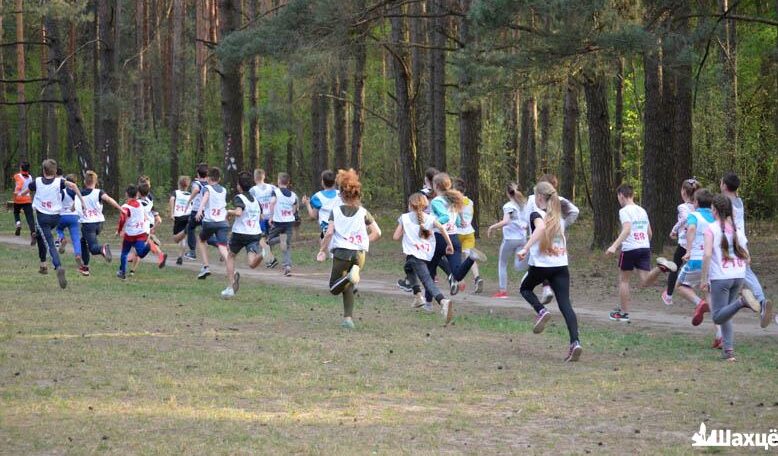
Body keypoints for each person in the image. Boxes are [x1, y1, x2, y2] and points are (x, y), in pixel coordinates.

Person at [517, 182, 581, 362]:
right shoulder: (559, 217)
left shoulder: (536, 214)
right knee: (565, 304)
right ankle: (575, 342)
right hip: (561, 265)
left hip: (541, 265)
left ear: (538, 197)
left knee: (525, 288)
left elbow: (540, 228)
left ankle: (541, 310)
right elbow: (575, 211)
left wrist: (525, 248)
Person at [698, 195, 765, 361]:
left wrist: (703, 278)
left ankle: (742, 302)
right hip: (739, 276)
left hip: (721, 277)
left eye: (712, 209)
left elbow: (706, 255)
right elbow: (748, 258)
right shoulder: (737, 230)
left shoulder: (710, 229)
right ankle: (728, 351)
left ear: (714, 210)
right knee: (726, 314)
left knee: (717, 316)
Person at [317, 169, 382, 329]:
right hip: (359, 254)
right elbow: (378, 232)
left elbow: (330, 232)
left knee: (334, 287)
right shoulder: (363, 212)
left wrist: (322, 250)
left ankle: (349, 278)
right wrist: (363, 242)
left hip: (342, 253)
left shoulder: (336, 211)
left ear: (341, 194)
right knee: (349, 287)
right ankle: (348, 319)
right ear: (357, 194)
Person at [606, 184, 677, 322]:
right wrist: (644, 244)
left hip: (630, 248)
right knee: (645, 280)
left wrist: (614, 246)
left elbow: (626, 229)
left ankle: (624, 314)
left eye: (618, 197)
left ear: (621, 195)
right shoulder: (642, 210)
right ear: (632, 195)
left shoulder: (624, 211)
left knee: (624, 281)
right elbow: (649, 232)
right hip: (644, 246)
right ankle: (661, 268)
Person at [719, 172, 773, 328]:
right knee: (746, 273)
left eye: (721, 182)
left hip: (732, 240)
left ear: (724, 185)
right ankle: (760, 302)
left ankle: (732, 305)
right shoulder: (739, 201)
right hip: (742, 241)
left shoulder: (725, 202)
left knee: (722, 272)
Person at [673, 189, 724, 348]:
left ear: (695, 202)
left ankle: (698, 303)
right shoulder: (716, 218)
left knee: (680, 286)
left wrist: (688, 250)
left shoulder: (693, 216)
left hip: (696, 259)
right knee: (710, 295)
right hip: (713, 263)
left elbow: (692, 229)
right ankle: (720, 335)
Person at [393, 193, 454, 323]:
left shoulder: (404, 218)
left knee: (427, 280)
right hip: (425, 255)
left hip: (414, 255)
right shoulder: (430, 218)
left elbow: (395, 237)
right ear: (425, 205)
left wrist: (405, 229)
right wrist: (449, 244)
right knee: (408, 268)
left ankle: (442, 301)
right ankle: (418, 297)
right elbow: (442, 228)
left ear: (410, 205)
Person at [427, 173, 487, 294]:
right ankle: (471, 258)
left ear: (436, 186)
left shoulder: (436, 201)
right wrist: (460, 223)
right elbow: (458, 221)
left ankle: (428, 302)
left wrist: (432, 223)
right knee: (457, 274)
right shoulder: (452, 200)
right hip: (454, 238)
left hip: (439, 239)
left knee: (430, 271)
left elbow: (445, 217)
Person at [524, 174, 579, 304]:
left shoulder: (533, 198)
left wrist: (530, 230)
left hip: (538, 234)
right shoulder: (560, 200)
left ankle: (546, 288)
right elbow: (575, 211)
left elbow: (527, 217)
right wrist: (564, 224)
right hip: (555, 235)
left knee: (539, 263)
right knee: (550, 260)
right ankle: (547, 287)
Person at [397, 167, 452, 292]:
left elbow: (415, 208)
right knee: (431, 253)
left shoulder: (423, 193)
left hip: (422, 225)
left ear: (427, 180)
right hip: (436, 226)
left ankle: (411, 282)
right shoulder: (441, 195)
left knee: (416, 252)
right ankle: (448, 275)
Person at [29, 159, 81, 288]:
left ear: (43, 171)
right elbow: (73, 186)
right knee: (41, 236)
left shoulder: (37, 181)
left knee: (49, 243)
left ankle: (58, 266)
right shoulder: (60, 182)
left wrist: (23, 194)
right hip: (56, 217)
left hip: (42, 217)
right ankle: (43, 265)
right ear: (56, 171)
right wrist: (82, 202)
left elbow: (28, 188)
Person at [221, 172, 264, 298]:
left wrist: (229, 211)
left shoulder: (239, 197)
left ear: (239, 186)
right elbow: (261, 217)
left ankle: (230, 287)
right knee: (251, 263)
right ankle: (264, 254)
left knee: (230, 256)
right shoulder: (256, 201)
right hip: (255, 233)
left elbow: (239, 212)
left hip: (240, 233)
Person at [487, 182, 529, 299]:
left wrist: (492, 227)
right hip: (522, 238)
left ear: (507, 193)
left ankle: (503, 291)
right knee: (519, 265)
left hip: (510, 239)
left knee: (502, 263)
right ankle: (531, 273)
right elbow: (527, 221)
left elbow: (506, 221)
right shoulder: (524, 205)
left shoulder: (508, 206)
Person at [663, 178, 701, 306]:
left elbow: (685, 218)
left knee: (674, 267)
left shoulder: (682, 207)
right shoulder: (698, 207)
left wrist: (674, 229)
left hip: (685, 243)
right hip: (696, 243)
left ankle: (668, 296)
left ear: (683, 192)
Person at [79, 170, 122, 276]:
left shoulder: (80, 193)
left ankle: (102, 249)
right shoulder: (99, 192)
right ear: (96, 182)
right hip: (99, 224)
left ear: (85, 182)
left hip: (88, 224)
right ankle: (85, 268)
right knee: (83, 241)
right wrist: (119, 208)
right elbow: (108, 199)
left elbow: (74, 206)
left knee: (93, 248)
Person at [117, 184, 164, 279]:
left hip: (130, 234)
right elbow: (146, 217)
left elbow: (122, 220)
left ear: (126, 194)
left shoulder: (126, 206)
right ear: (136, 194)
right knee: (141, 252)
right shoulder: (142, 205)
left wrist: (120, 230)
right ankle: (150, 246)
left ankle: (123, 272)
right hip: (141, 233)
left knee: (124, 252)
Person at [195, 167, 230, 280]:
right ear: (219, 179)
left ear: (208, 178)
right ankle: (231, 268)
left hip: (210, 222)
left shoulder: (207, 188)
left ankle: (206, 267)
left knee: (201, 239)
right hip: (223, 222)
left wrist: (200, 210)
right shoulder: (224, 190)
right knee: (222, 246)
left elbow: (205, 198)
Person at [453, 178, 483, 293]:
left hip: (458, 232)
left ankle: (458, 281)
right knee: (470, 257)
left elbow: (459, 209)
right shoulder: (470, 202)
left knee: (455, 258)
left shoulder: (456, 200)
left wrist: (460, 218)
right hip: (469, 233)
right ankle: (477, 278)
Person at [266, 172, 299, 276]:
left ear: (278, 181)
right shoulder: (293, 195)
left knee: (267, 242)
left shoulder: (275, 192)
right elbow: (294, 209)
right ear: (288, 182)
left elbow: (271, 203)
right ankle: (287, 266)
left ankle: (270, 261)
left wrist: (271, 216)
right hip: (289, 222)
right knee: (286, 245)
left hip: (278, 222)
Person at [55, 174, 87, 275]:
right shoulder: (76, 192)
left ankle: (62, 239)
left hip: (62, 216)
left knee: (59, 230)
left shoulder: (62, 191)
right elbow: (78, 205)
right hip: (74, 217)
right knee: (76, 238)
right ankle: (78, 254)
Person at [302, 169, 341, 239]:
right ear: (335, 181)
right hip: (341, 230)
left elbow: (313, 216)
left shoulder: (318, 197)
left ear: (322, 182)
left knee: (323, 248)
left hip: (326, 230)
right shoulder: (341, 195)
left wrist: (307, 204)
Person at [249, 169, 276, 266]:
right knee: (269, 238)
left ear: (254, 177)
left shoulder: (252, 190)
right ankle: (269, 260)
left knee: (262, 239)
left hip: (261, 217)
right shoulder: (272, 187)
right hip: (272, 217)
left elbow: (251, 204)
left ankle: (270, 259)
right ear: (264, 176)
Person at [183, 163, 209, 260]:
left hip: (196, 211)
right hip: (206, 211)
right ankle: (222, 246)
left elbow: (196, 190)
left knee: (190, 228)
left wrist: (189, 201)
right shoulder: (209, 184)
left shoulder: (196, 183)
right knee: (208, 233)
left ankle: (192, 252)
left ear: (198, 174)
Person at [12, 160, 36, 245]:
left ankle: (18, 224)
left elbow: (18, 185)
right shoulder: (30, 177)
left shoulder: (17, 176)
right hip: (27, 199)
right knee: (30, 218)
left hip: (18, 198)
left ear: (21, 168)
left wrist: (16, 194)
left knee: (16, 212)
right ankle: (33, 232)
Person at [170, 176, 192, 265]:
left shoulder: (176, 192)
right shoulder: (191, 194)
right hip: (188, 216)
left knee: (176, 238)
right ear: (188, 185)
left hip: (178, 217)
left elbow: (171, 199)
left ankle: (180, 256)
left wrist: (172, 213)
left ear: (179, 184)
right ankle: (180, 256)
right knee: (183, 237)